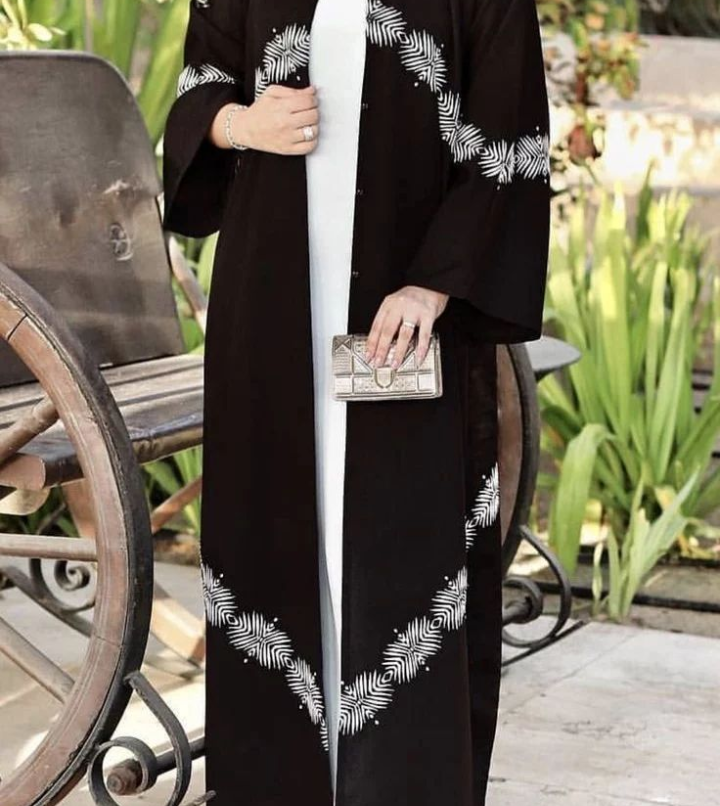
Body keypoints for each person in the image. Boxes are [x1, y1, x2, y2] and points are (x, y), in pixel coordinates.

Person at [161, 0, 551, 803]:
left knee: (404, 546)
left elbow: (509, 133)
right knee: (274, 539)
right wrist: (240, 124)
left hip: (401, 324)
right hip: (270, 314)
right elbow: (200, 91)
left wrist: (433, 285)